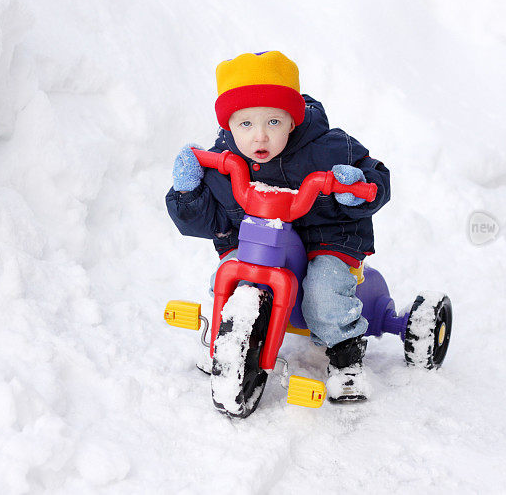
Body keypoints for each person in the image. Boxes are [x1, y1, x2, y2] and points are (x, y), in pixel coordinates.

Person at [166, 51, 390, 402]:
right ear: (229, 126)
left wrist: (356, 187)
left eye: (273, 122)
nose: (259, 138)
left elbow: (377, 180)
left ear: (292, 120)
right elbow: (204, 221)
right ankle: (225, 339)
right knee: (225, 271)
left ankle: (346, 357)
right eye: (246, 124)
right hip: (259, 245)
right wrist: (188, 189)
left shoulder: (329, 148)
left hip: (324, 240)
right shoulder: (224, 161)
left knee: (323, 292)